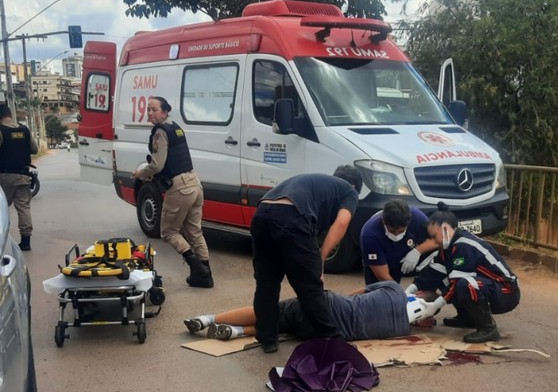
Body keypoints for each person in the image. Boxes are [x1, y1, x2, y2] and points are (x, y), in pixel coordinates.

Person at [251, 166, 362, 353]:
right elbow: (341, 223)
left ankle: (267, 338)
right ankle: (333, 339)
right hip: (292, 215)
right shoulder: (348, 190)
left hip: (262, 213)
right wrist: (320, 260)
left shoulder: (317, 182)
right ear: (354, 185)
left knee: (266, 283)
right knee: (310, 286)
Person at [405, 201, 520, 343]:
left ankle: (488, 328)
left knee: (464, 284)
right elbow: (433, 274)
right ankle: (467, 318)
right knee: (447, 280)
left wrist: (434, 306)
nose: (433, 241)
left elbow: (456, 283)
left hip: (506, 291)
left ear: (446, 230)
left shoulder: (463, 247)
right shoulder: (447, 247)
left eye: (434, 236)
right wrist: (408, 292)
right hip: (488, 286)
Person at [184, 280, 443, 341]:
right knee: (284, 327)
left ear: (418, 294)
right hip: (326, 334)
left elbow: (358, 293)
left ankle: (208, 318)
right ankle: (237, 331)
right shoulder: (398, 331)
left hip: (328, 306)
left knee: (269, 310)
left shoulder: (394, 290)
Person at [132, 96, 212, 288]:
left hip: (180, 188)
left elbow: (157, 165)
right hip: (194, 184)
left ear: (165, 111)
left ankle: (198, 269)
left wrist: (141, 173)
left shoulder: (160, 132)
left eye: (154, 110)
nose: (150, 113)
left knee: (168, 232)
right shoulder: (175, 127)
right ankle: (206, 276)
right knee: (194, 231)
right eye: (149, 110)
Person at [360, 199, 437, 285]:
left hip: (411, 250)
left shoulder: (417, 217)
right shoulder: (370, 235)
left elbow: (438, 239)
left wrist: (418, 251)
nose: (396, 235)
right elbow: (383, 276)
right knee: (379, 291)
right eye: (392, 231)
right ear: (383, 221)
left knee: (445, 249)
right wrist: (400, 295)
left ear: (409, 223)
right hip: (384, 258)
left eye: (400, 231)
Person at [0, 103, 38, 251]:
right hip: (23, 176)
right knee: (23, 208)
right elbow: (34, 149)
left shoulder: (1, 131)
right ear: (10, 114)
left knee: (2, 208)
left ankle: (3, 239)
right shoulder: (24, 129)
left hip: (4, 177)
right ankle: (26, 241)